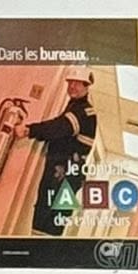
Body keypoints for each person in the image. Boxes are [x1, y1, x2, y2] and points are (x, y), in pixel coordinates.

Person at [23, 72, 98, 236]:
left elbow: (59, 127)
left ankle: (42, 256)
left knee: (48, 220)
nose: (72, 86)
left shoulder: (84, 112)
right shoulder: (74, 107)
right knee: (48, 218)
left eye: (77, 83)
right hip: (64, 176)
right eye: (70, 82)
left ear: (87, 86)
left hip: (64, 177)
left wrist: (29, 130)